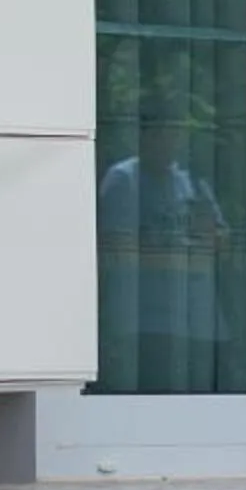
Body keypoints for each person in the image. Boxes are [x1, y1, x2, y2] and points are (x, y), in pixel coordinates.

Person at [95, 116, 230, 392]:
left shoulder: (191, 182)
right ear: (143, 137)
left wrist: (208, 233)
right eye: (161, 134)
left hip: (197, 318)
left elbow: (222, 244)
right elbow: (115, 249)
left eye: (175, 134)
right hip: (145, 318)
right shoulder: (123, 180)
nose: (169, 142)